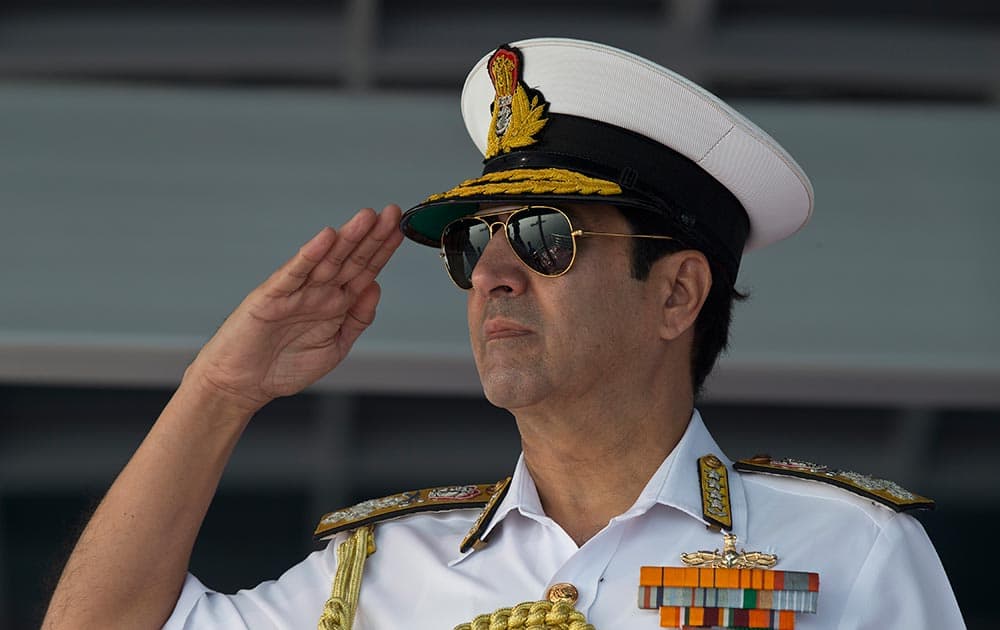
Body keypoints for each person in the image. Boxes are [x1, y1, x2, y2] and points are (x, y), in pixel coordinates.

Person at [43, 38, 964, 630]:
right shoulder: (380, 574)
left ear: (678, 294)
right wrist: (220, 392)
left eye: (544, 237)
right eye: (475, 242)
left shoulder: (851, 551)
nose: (491, 272)